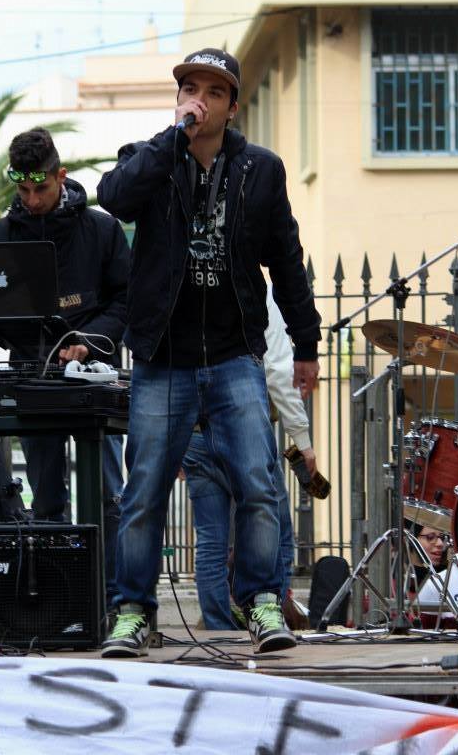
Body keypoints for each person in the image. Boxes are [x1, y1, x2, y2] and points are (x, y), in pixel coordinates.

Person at [97, 47, 321, 657]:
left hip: (232, 353)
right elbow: (114, 198)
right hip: (162, 357)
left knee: (258, 483)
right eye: (189, 90)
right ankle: (132, 613)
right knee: (144, 491)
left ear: (232, 107)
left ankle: (263, 602)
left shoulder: (261, 170)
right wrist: (172, 141)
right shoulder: (149, 158)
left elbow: (287, 261)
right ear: (178, 100)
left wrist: (306, 343)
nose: (199, 100)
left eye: (213, 92)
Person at [0, 127, 130, 608]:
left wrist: (87, 342)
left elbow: (128, 301)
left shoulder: (101, 231)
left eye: (40, 188)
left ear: (61, 176)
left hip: (94, 382)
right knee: (46, 499)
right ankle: (60, 603)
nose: (32, 200)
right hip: (31, 382)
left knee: (108, 494)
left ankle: (116, 601)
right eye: (23, 190)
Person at [183, 285, 317, 630]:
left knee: (211, 538)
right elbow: (277, 371)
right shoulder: (257, 291)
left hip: (195, 433)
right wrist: (302, 440)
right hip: (243, 431)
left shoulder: (188, 291)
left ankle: (217, 626)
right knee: (274, 526)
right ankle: (271, 613)